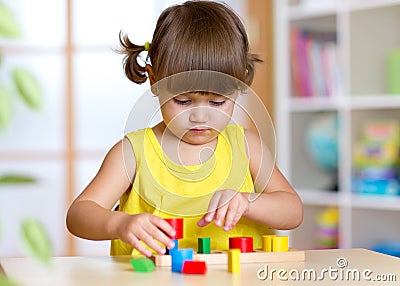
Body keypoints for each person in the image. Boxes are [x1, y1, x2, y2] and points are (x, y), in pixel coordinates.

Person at [66, 0, 303, 257]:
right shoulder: (133, 152)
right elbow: (79, 214)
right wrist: (120, 224)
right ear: (155, 80)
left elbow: (292, 211)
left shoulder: (246, 145)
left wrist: (249, 202)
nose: (200, 116)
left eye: (217, 102)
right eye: (184, 101)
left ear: (240, 83)